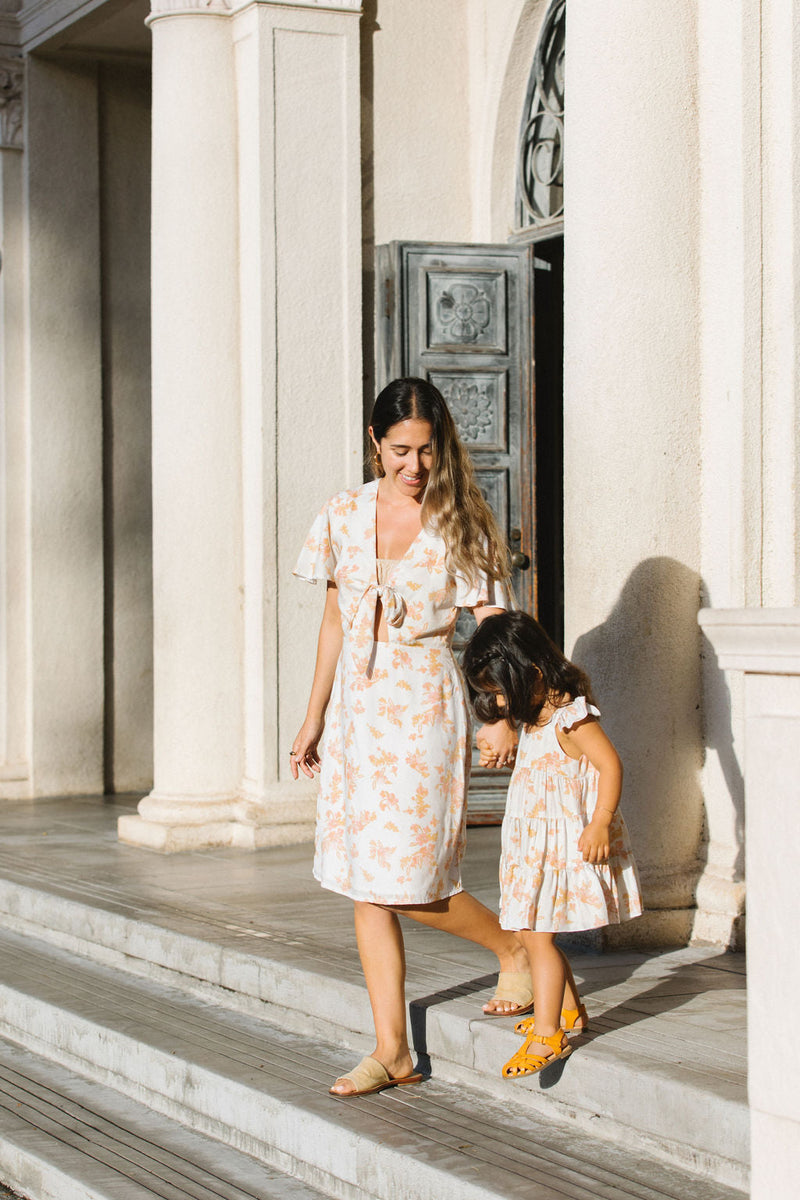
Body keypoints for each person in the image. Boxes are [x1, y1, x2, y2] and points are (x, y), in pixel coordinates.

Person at [290, 377, 530, 1096]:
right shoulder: (342, 514)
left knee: (408, 876)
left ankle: (512, 948)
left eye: (426, 450)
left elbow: (493, 625)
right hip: (358, 713)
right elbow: (335, 621)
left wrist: (501, 712)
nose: (414, 466)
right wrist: (312, 720)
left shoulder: (462, 521)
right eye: (400, 451)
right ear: (375, 443)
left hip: (423, 707)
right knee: (367, 884)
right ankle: (393, 1049)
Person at [462, 610, 643, 1078]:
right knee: (527, 931)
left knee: (538, 938)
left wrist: (600, 822)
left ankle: (548, 1034)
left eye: (500, 690)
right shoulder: (532, 719)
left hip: (561, 845)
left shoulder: (570, 719)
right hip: (530, 847)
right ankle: (567, 1012)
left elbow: (611, 767)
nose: (498, 702)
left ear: (532, 674)